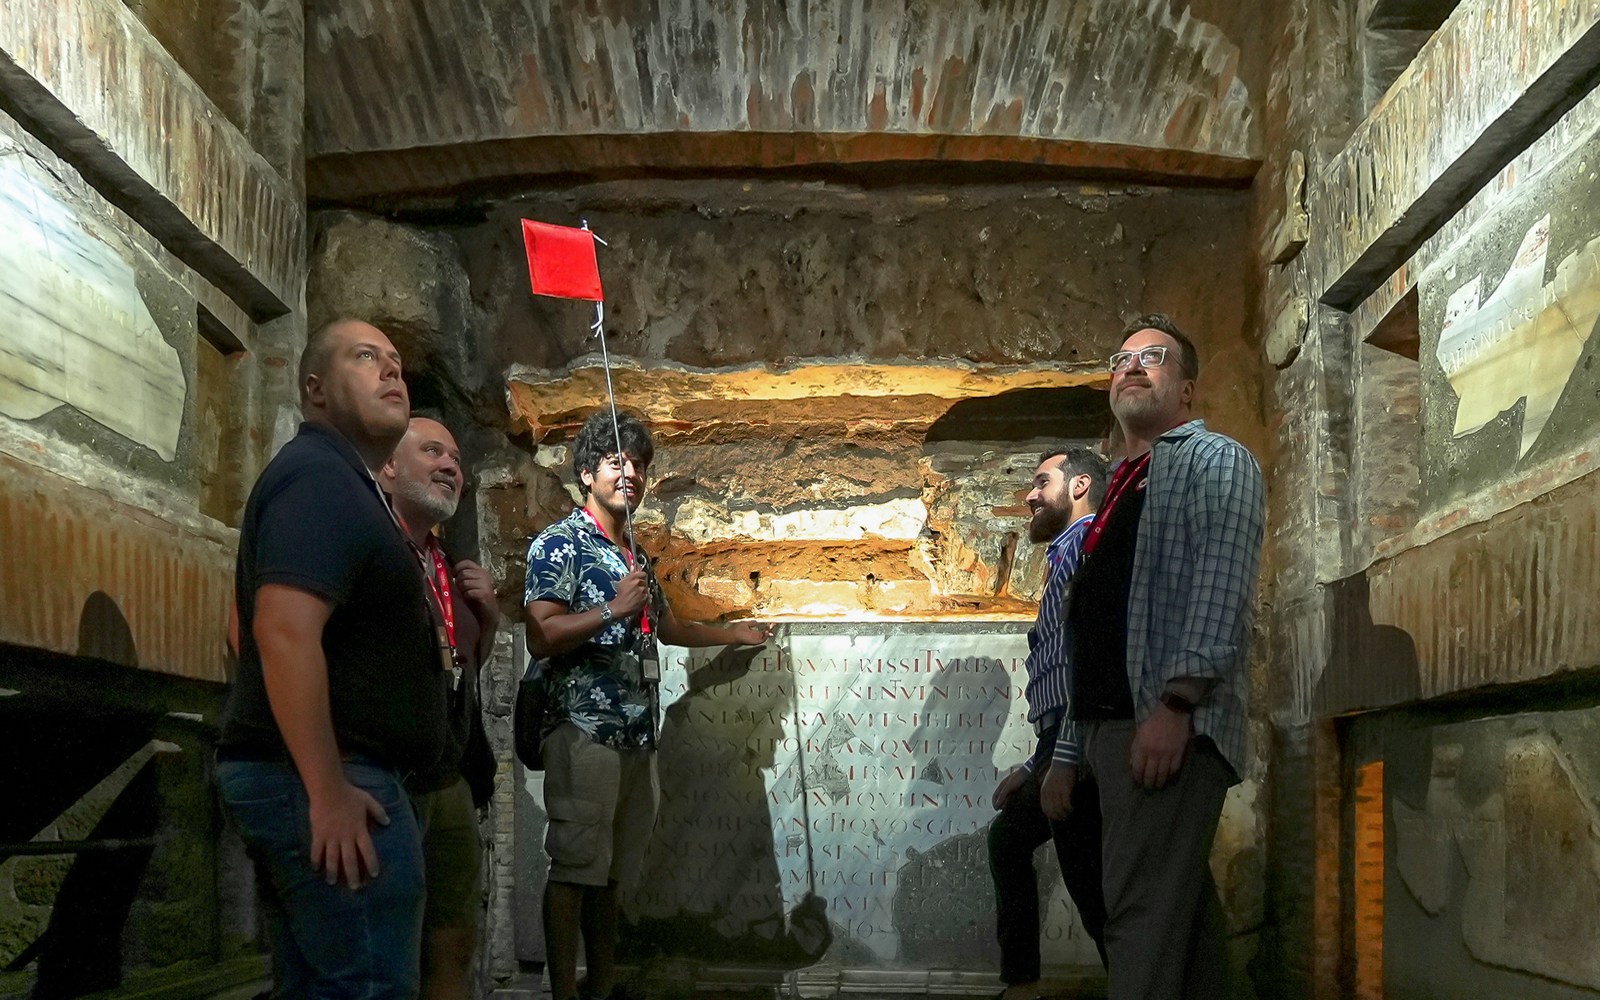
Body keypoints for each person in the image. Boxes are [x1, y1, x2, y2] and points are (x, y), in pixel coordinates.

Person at [216, 319, 449, 998]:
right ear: (315, 388)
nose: (391, 372)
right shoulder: (319, 476)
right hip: (330, 780)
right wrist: (327, 792)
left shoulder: (343, 481)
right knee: (367, 984)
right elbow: (284, 632)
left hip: (333, 775)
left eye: (398, 363)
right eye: (365, 357)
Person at [1041, 314, 1266, 1000]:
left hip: (1166, 725)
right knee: (1181, 927)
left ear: (1187, 389)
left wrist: (1175, 706)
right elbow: (1097, 631)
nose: (1132, 367)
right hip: (1116, 729)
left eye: (1154, 357)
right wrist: (1070, 753)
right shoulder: (1118, 490)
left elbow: (1220, 583)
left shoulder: (1213, 460)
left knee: (1136, 924)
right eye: (1122, 359)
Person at [523, 410, 773, 1000]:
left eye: (637, 463)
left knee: (613, 878)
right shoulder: (561, 543)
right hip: (584, 730)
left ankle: (601, 986)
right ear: (587, 474)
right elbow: (542, 633)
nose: (629, 472)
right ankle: (562, 994)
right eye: (615, 461)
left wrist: (732, 636)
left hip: (637, 737)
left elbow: (666, 627)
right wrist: (611, 608)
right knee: (575, 868)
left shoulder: (633, 552)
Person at [378, 416, 500, 1000]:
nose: (452, 465)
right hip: (388, 779)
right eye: (433, 452)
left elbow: (460, 671)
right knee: (390, 951)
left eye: (456, 457)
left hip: (447, 778)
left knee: (452, 938)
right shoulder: (371, 545)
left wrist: (491, 620)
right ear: (388, 466)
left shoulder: (448, 566)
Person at [988, 447, 1109, 999]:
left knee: (1093, 890)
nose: (1030, 495)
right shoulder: (1064, 554)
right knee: (1011, 837)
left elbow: (1088, 661)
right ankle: (1023, 985)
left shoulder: (1086, 548)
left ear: (1080, 485)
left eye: (1042, 482)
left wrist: (1061, 760)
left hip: (1080, 739)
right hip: (1058, 740)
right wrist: (1033, 764)